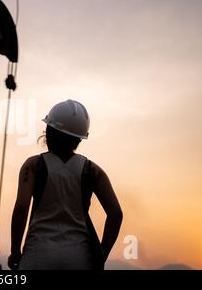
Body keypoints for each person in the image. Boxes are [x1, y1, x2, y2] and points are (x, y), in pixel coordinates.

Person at [8, 99, 123, 270]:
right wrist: (101, 255)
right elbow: (115, 214)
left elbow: (21, 208)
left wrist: (15, 250)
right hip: (79, 259)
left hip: (38, 255)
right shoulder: (93, 171)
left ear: (49, 130)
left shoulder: (33, 165)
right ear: (79, 139)